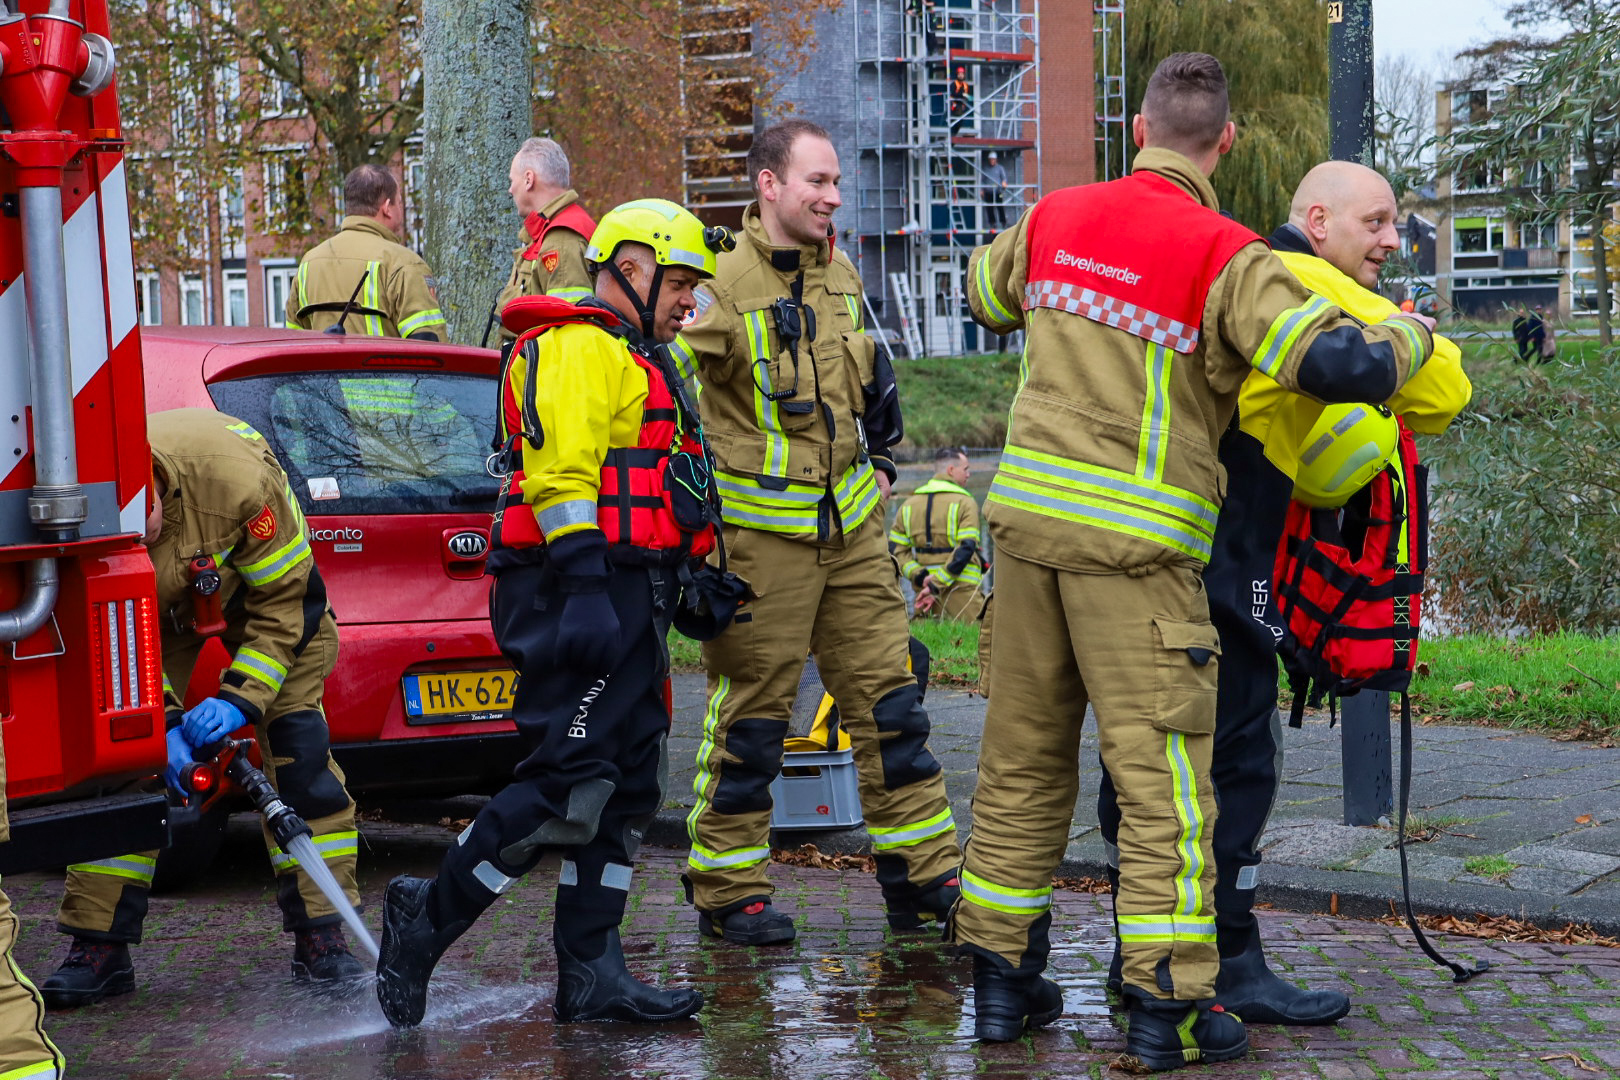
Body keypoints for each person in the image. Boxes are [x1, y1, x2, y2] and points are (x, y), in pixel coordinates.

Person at [955, 53, 1434, 1071]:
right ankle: (1165, 1011)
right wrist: (1407, 337)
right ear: (1224, 143)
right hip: (1135, 556)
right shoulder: (1226, 255)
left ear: (1136, 129)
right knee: (1166, 784)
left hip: (1026, 538)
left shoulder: (1053, 220)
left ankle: (1002, 988)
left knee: (1020, 768)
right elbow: (1335, 366)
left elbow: (984, 295)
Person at [1094, 158, 1472, 1027]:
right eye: (1375, 222)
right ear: (1318, 218)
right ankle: (1226, 961)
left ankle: (1142, 949)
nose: (1390, 240)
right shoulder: (1293, 276)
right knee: (1236, 760)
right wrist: (1403, 328)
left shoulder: (1231, 272)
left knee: (1145, 760)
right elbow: (1444, 386)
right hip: (1221, 564)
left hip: (1168, 542)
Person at [375, 199, 730, 1029]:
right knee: (568, 785)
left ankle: (593, 973)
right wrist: (581, 593)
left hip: (626, 590)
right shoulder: (581, 350)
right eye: (679, 284)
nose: (688, 302)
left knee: (627, 786)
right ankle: (425, 917)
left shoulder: (645, 359)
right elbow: (561, 480)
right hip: (577, 591)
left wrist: (692, 572)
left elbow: (657, 483)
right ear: (631, 268)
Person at [669, 119, 961, 946]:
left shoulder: (840, 273)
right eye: (817, 183)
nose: (833, 197)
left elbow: (857, 394)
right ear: (769, 184)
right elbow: (666, 388)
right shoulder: (717, 279)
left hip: (857, 538)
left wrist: (880, 465)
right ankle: (727, 890)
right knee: (754, 723)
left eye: (836, 183)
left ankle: (924, 874)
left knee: (893, 707)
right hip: (762, 548)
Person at [43, 408, 365, 1008]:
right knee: (124, 764)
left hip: (273, 609)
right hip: (140, 622)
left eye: (149, 525)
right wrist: (159, 723)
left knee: (301, 763)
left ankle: (323, 938)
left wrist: (239, 699)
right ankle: (99, 947)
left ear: (160, 489)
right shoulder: (78, 503)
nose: (140, 538)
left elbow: (281, 610)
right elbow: (105, 641)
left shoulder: (239, 486)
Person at [286, 165, 446, 340]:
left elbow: (293, 337)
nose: (401, 209)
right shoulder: (404, 264)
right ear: (386, 207)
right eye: (399, 202)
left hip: (324, 367)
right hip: (383, 368)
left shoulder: (309, 263)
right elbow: (431, 346)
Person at [491, 137, 597, 345]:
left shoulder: (561, 239)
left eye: (512, 181)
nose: (510, 190)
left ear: (529, 179)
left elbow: (569, 332)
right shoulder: (547, 233)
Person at [889, 447, 984, 620]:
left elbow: (896, 551)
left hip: (923, 596)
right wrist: (936, 584)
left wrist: (920, 577)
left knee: (925, 642)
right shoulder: (966, 502)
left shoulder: (908, 505)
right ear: (950, 470)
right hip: (961, 593)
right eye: (965, 469)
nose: (969, 474)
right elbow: (966, 547)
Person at [983, 152, 1010, 232]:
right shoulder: (986, 169)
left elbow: (1004, 178)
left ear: (996, 160)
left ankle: (1003, 222)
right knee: (989, 208)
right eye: (990, 159)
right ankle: (992, 223)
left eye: (993, 159)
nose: (992, 161)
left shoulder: (1000, 168)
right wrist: (981, 190)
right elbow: (982, 180)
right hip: (989, 192)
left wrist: (1004, 182)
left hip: (998, 192)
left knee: (1000, 206)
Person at [949, 66, 973, 134]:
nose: (960, 75)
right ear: (957, 75)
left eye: (962, 74)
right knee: (954, 122)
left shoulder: (965, 85)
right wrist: (962, 95)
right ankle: (952, 136)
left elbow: (968, 95)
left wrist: (967, 97)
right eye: (959, 74)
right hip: (954, 106)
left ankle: (954, 136)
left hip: (961, 106)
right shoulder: (953, 84)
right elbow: (953, 93)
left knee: (959, 122)